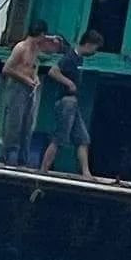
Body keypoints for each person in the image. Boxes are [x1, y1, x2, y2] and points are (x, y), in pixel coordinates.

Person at [40, 30, 104, 178]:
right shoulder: (70, 58)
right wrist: (69, 83)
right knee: (59, 137)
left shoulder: (78, 58)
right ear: (88, 45)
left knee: (83, 138)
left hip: (73, 103)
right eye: (95, 48)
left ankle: (86, 173)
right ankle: (43, 169)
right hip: (66, 102)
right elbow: (53, 72)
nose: (95, 52)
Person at [0, 20, 61, 167]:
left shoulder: (36, 48)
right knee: (14, 122)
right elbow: (7, 69)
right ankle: (4, 157)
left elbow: (34, 66)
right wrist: (25, 79)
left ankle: (22, 160)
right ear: (39, 35)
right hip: (17, 86)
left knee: (27, 125)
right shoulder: (21, 48)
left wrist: (35, 78)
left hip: (30, 87)